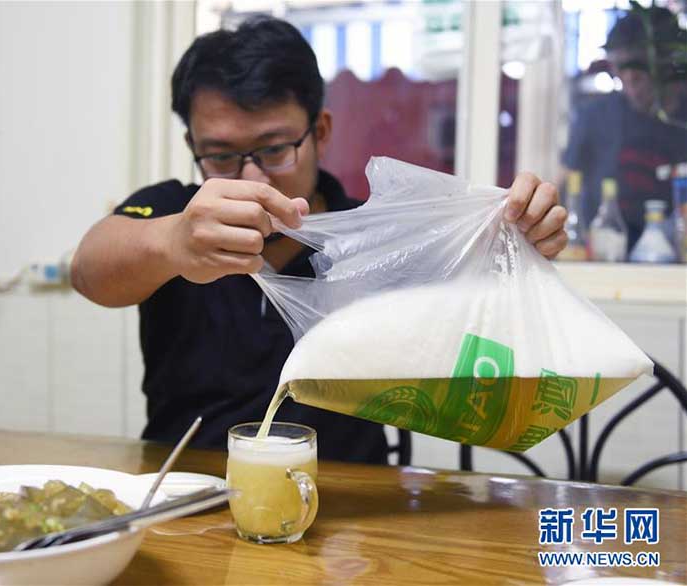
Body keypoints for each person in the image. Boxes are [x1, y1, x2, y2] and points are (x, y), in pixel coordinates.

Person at [71, 17, 568, 463]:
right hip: (186, 491)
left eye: (273, 149)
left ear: (321, 131)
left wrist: (521, 237)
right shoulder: (173, 211)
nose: (254, 180)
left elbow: (489, 312)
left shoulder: (378, 232)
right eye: (220, 155)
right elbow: (89, 269)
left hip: (353, 510)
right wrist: (172, 241)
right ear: (192, 146)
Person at [563, 6, 687, 249]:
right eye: (620, 70)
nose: (630, 83)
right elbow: (566, 183)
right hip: (604, 260)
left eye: (640, 71)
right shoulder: (595, 116)